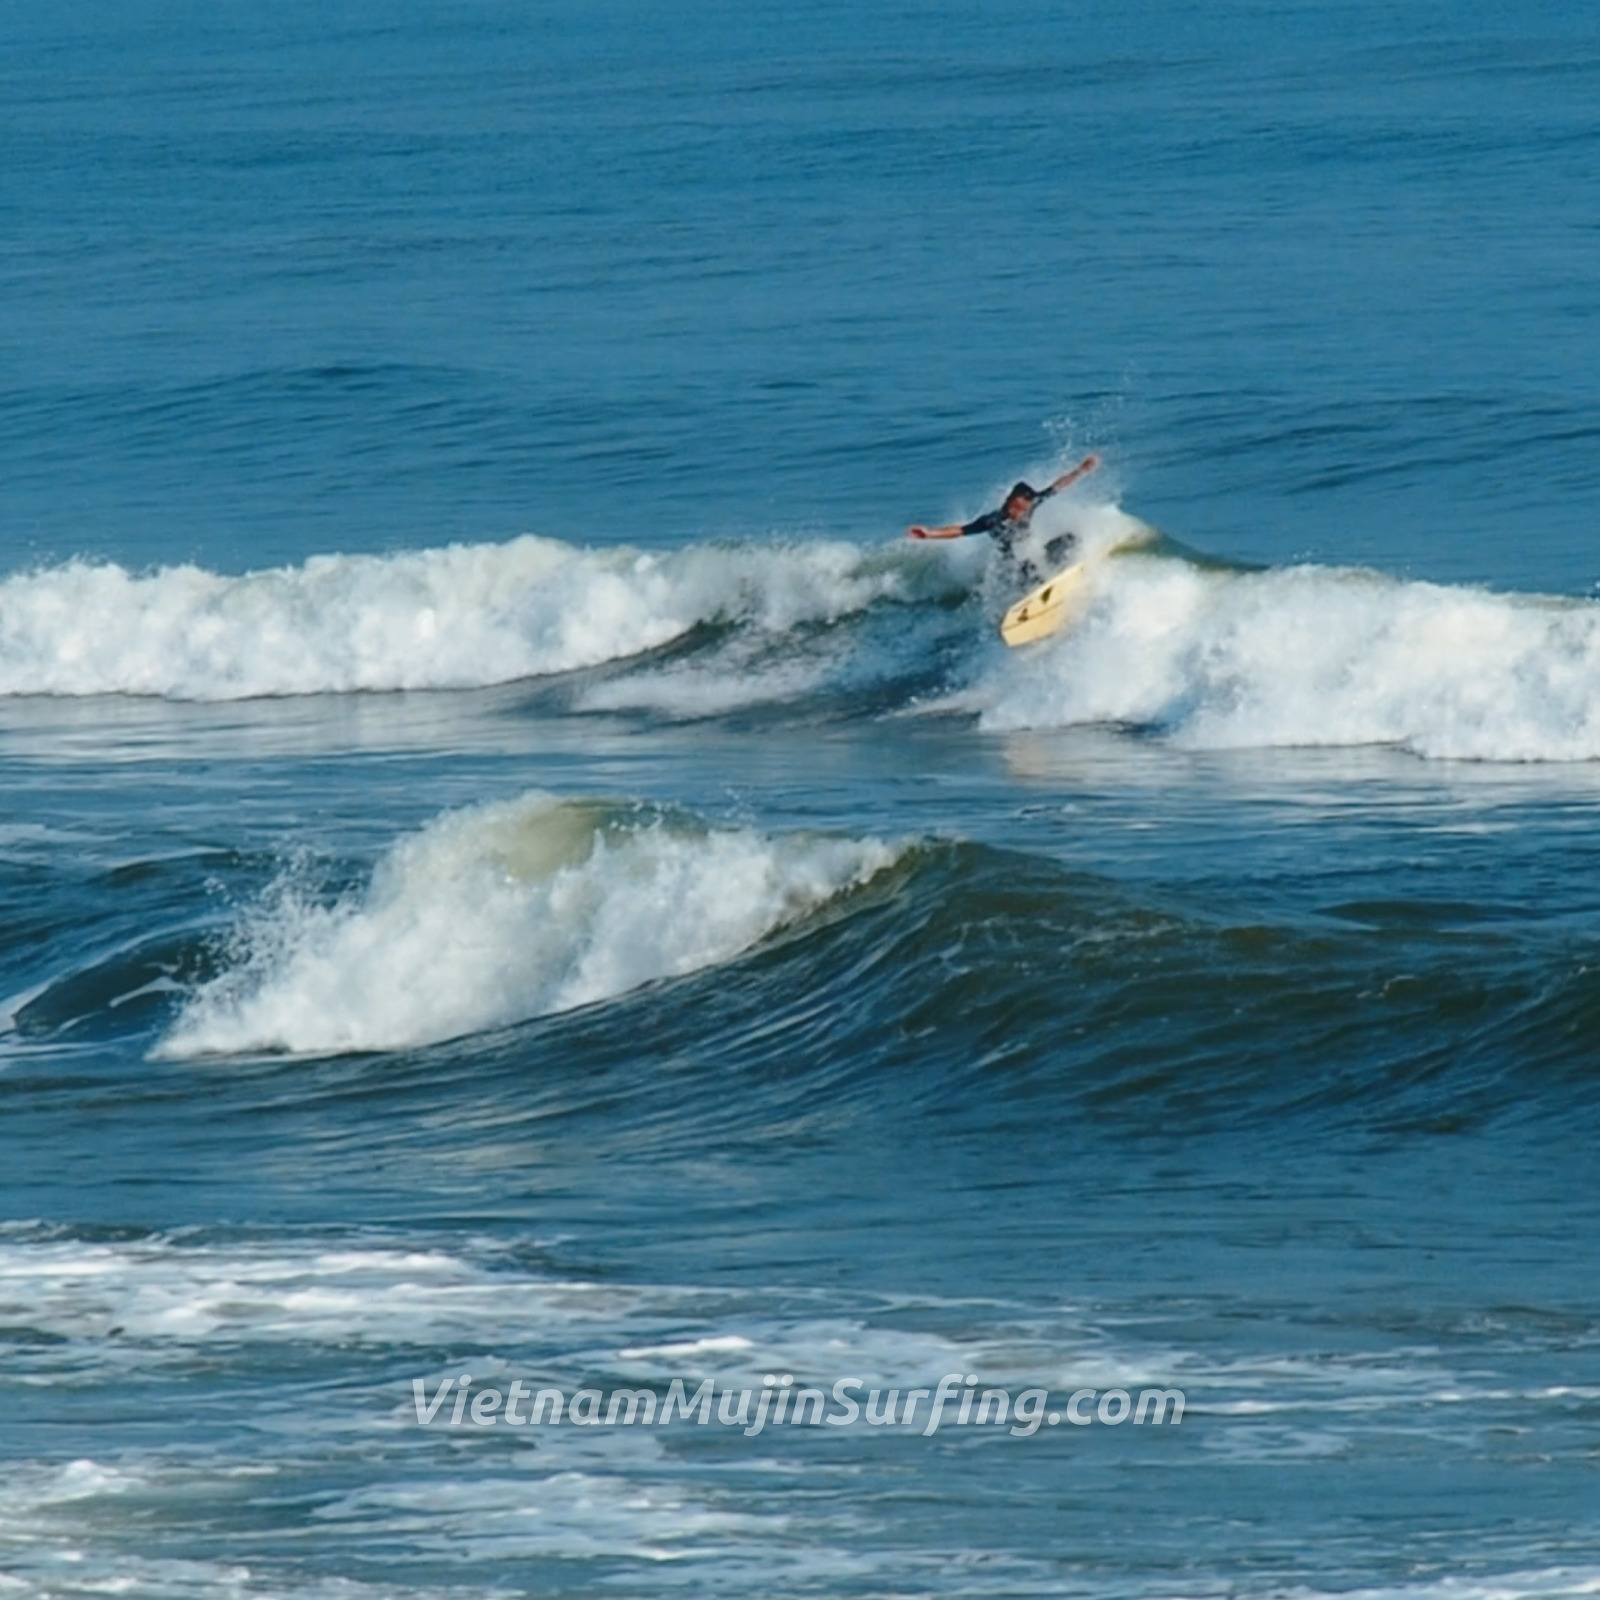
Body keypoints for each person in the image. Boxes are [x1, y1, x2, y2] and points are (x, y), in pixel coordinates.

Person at [907, 454, 1099, 584]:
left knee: (1069, 540)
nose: (1018, 512)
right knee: (1028, 567)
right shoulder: (993, 521)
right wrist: (930, 534)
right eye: (1014, 507)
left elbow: (1057, 486)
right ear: (1008, 501)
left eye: (1022, 508)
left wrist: (1081, 470)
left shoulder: (1032, 503)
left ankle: (1065, 578)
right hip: (1011, 568)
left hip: (1031, 557)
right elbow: (961, 530)